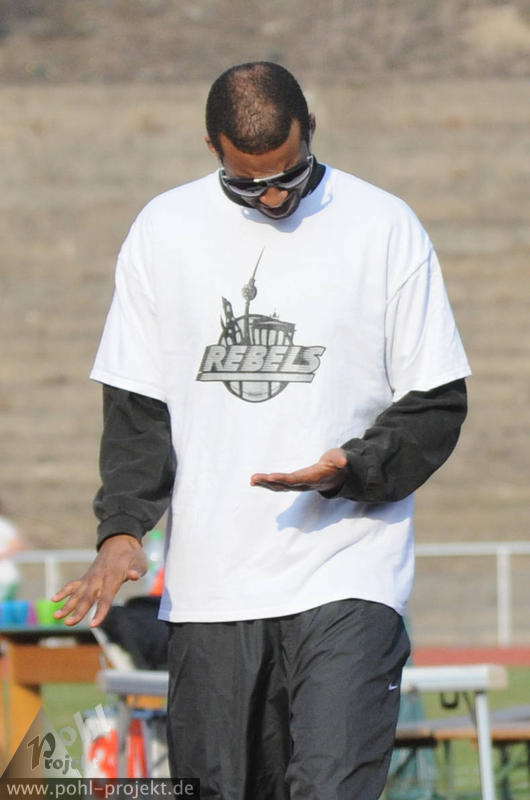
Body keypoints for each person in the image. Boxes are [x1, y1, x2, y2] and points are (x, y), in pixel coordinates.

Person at [53, 62, 471, 799]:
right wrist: (122, 529)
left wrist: (353, 466)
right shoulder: (163, 230)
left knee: (330, 786)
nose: (274, 196)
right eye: (249, 185)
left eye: (290, 174)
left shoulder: (383, 225)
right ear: (211, 147)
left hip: (348, 572)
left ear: (311, 131)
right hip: (212, 589)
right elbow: (137, 409)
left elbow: (437, 400)